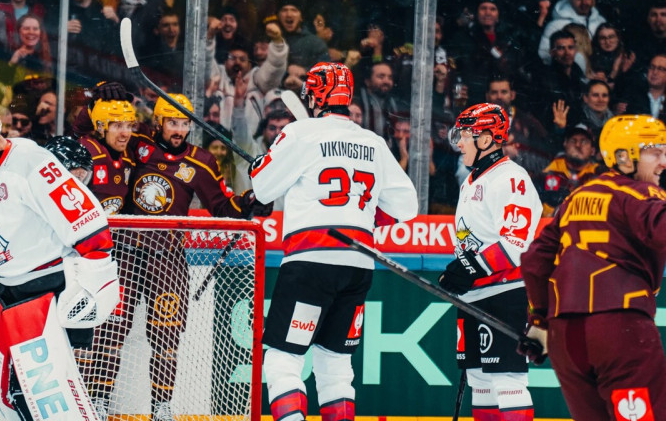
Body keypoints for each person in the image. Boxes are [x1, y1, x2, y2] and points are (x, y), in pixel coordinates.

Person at [249, 62, 418, 421]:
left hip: (310, 262)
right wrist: (365, 216)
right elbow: (407, 206)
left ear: (314, 96)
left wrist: (259, 165)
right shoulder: (372, 141)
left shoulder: (300, 134)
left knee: (284, 357)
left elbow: (263, 188)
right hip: (358, 264)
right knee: (336, 364)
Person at [88, 92, 272, 420]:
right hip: (125, 254)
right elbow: (102, 135)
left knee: (166, 336)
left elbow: (220, 207)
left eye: (185, 123)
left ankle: (161, 407)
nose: (179, 129)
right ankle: (98, 402)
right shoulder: (137, 143)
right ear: (158, 122)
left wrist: (250, 200)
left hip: (168, 256)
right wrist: (102, 95)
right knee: (111, 331)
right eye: (173, 122)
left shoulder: (202, 161)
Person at [0, 101, 119, 420]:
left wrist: (96, 275)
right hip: (3, 297)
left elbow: (83, 216)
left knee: (47, 398)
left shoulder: (28, 160)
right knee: (4, 396)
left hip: (44, 295)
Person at [519, 114, 666, 420]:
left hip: (565, 338)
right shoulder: (640, 194)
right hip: (620, 329)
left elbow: (535, 261)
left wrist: (540, 320)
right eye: (655, 152)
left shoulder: (575, 198)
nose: (663, 162)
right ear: (625, 156)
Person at [438, 103, 542, 421]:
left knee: (508, 382)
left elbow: (515, 243)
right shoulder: (471, 182)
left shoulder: (511, 178)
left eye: (464, 135)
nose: (458, 142)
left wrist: (467, 269)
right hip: (475, 297)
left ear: (485, 139)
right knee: (480, 382)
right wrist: (462, 270)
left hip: (506, 293)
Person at [537, 123, 602, 217]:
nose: (578, 145)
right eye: (573, 140)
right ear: (565, 144)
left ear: (593, 150)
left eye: (584, 142)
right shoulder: (549, 170)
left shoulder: (600, 175)